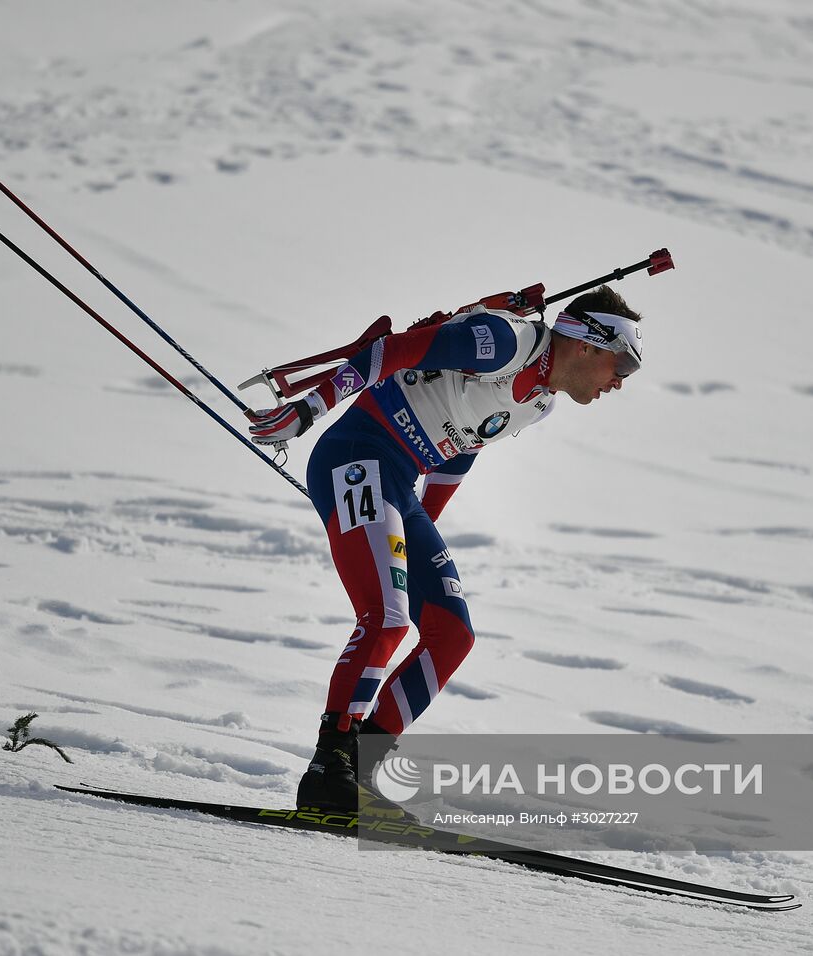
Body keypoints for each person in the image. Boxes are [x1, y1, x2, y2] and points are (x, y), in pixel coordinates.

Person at [247, 286, 644, 813]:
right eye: (623, 365)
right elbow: (398, 350)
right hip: (355, 456)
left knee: (451, 634)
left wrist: (416, 529)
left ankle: (359, 771)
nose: (619, 382)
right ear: (588, 343)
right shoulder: (508, 340)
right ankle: (327, 769)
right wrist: (309, 407)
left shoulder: (540, 403)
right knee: (386, 617)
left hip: (398, 484)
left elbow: (462, 446)